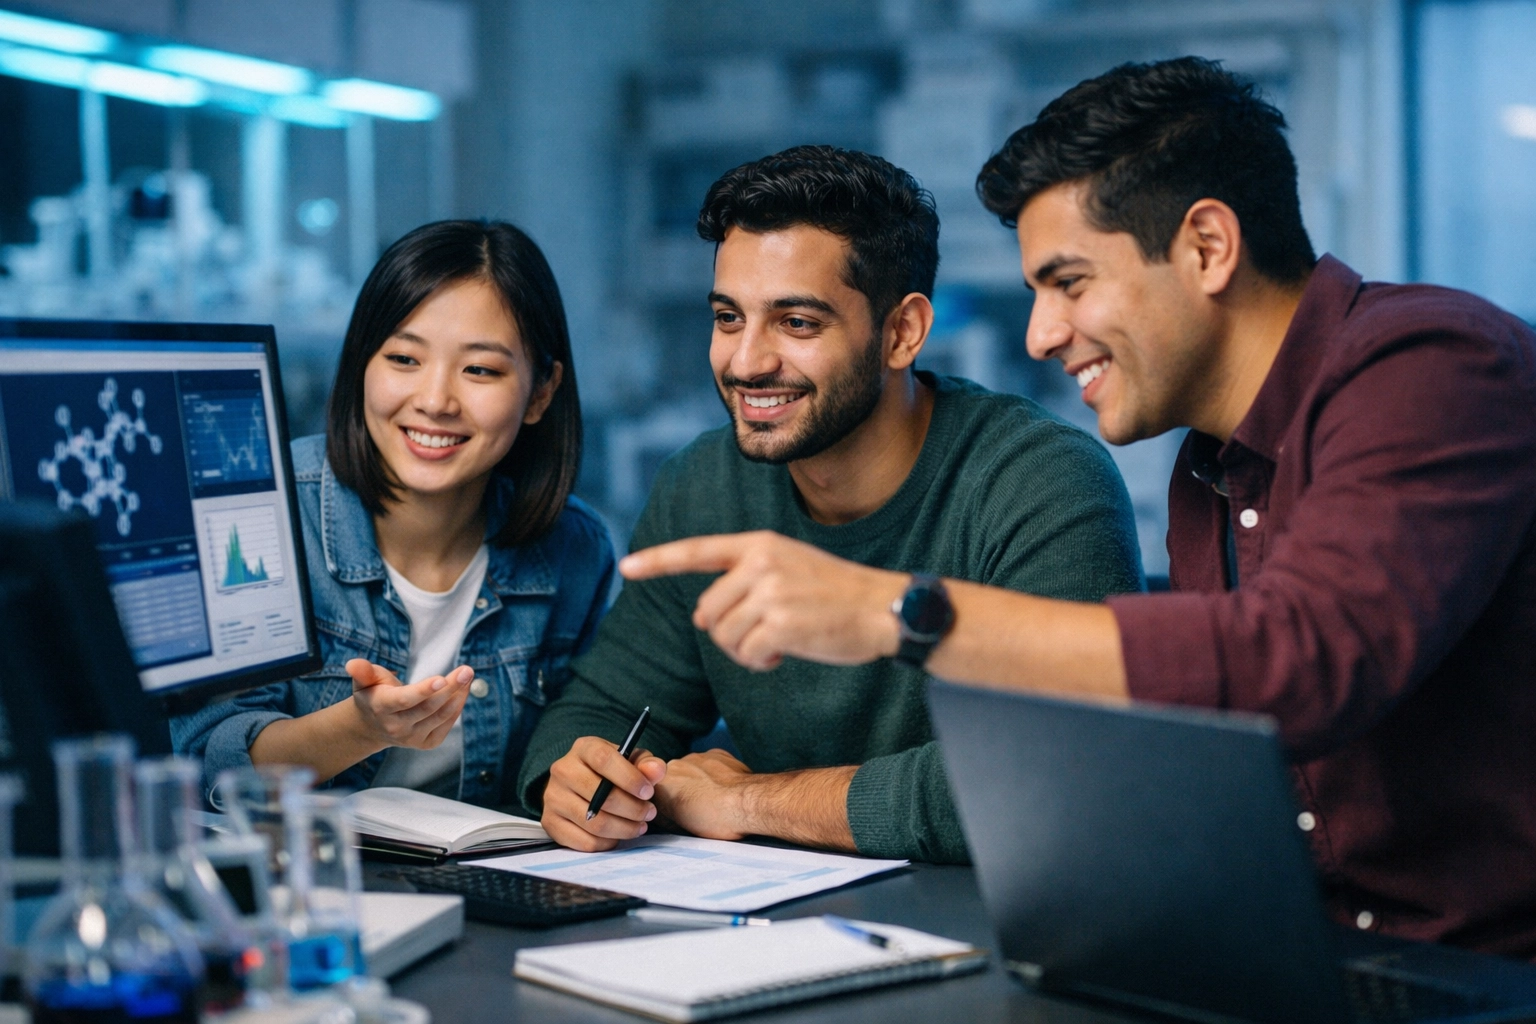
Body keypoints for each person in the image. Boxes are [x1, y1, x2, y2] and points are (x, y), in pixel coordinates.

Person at [620, 59, 1536, 958]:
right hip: (1303, 959)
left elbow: (1298, 660)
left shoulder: (1432, 362)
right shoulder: (1207, 470)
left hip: (1485, 977)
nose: (1041, 333)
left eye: (1069, 283)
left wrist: (889, 611)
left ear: (1207, 247)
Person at [518, 145, 1142, 863]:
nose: (746, 360)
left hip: (998, 923)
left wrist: (750, 801)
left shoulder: (1040, 481)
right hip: (769, 926)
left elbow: (1054, 774)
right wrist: (580, 783)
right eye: (728, 317)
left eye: (797, 323)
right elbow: (601, 713)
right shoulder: (702, 486)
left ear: (902, 332)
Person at [173, 220, 615, 807]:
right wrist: (359, 730)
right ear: (362, 364)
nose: (435, 400)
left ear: (539, 392)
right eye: (404, 358)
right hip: (301, 878)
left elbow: (588, 740)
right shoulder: (264, 512)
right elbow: (206, 761)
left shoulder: (576, 551)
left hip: (484, 884)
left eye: (480, 369)